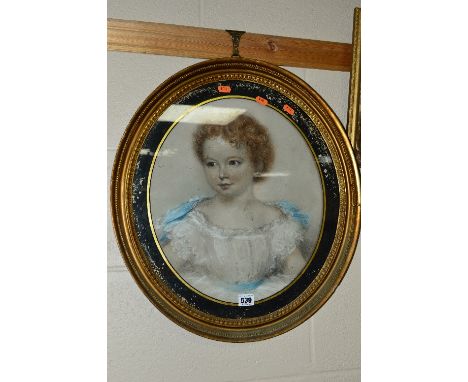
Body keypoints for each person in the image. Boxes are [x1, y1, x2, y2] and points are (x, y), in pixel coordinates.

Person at [156, 114, 309, 302]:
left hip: (261, 305)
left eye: (233, 162)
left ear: (256, 164)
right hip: (210, 305)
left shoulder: (275, 220)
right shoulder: (197, 221)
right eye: (211, 164)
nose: (222, 174)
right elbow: (160, 272)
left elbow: (301, 277)